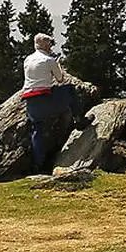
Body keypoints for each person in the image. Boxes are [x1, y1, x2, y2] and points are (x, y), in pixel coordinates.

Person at [20, 33, 93, 173]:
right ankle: (79, 120)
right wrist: (57, 63)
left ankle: (38, 165)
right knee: (70, 90)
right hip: (46, 100)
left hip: (30, 102)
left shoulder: (27, 59)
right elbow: (60, 79)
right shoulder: (49, 60)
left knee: (38, 131)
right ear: (47, 45)